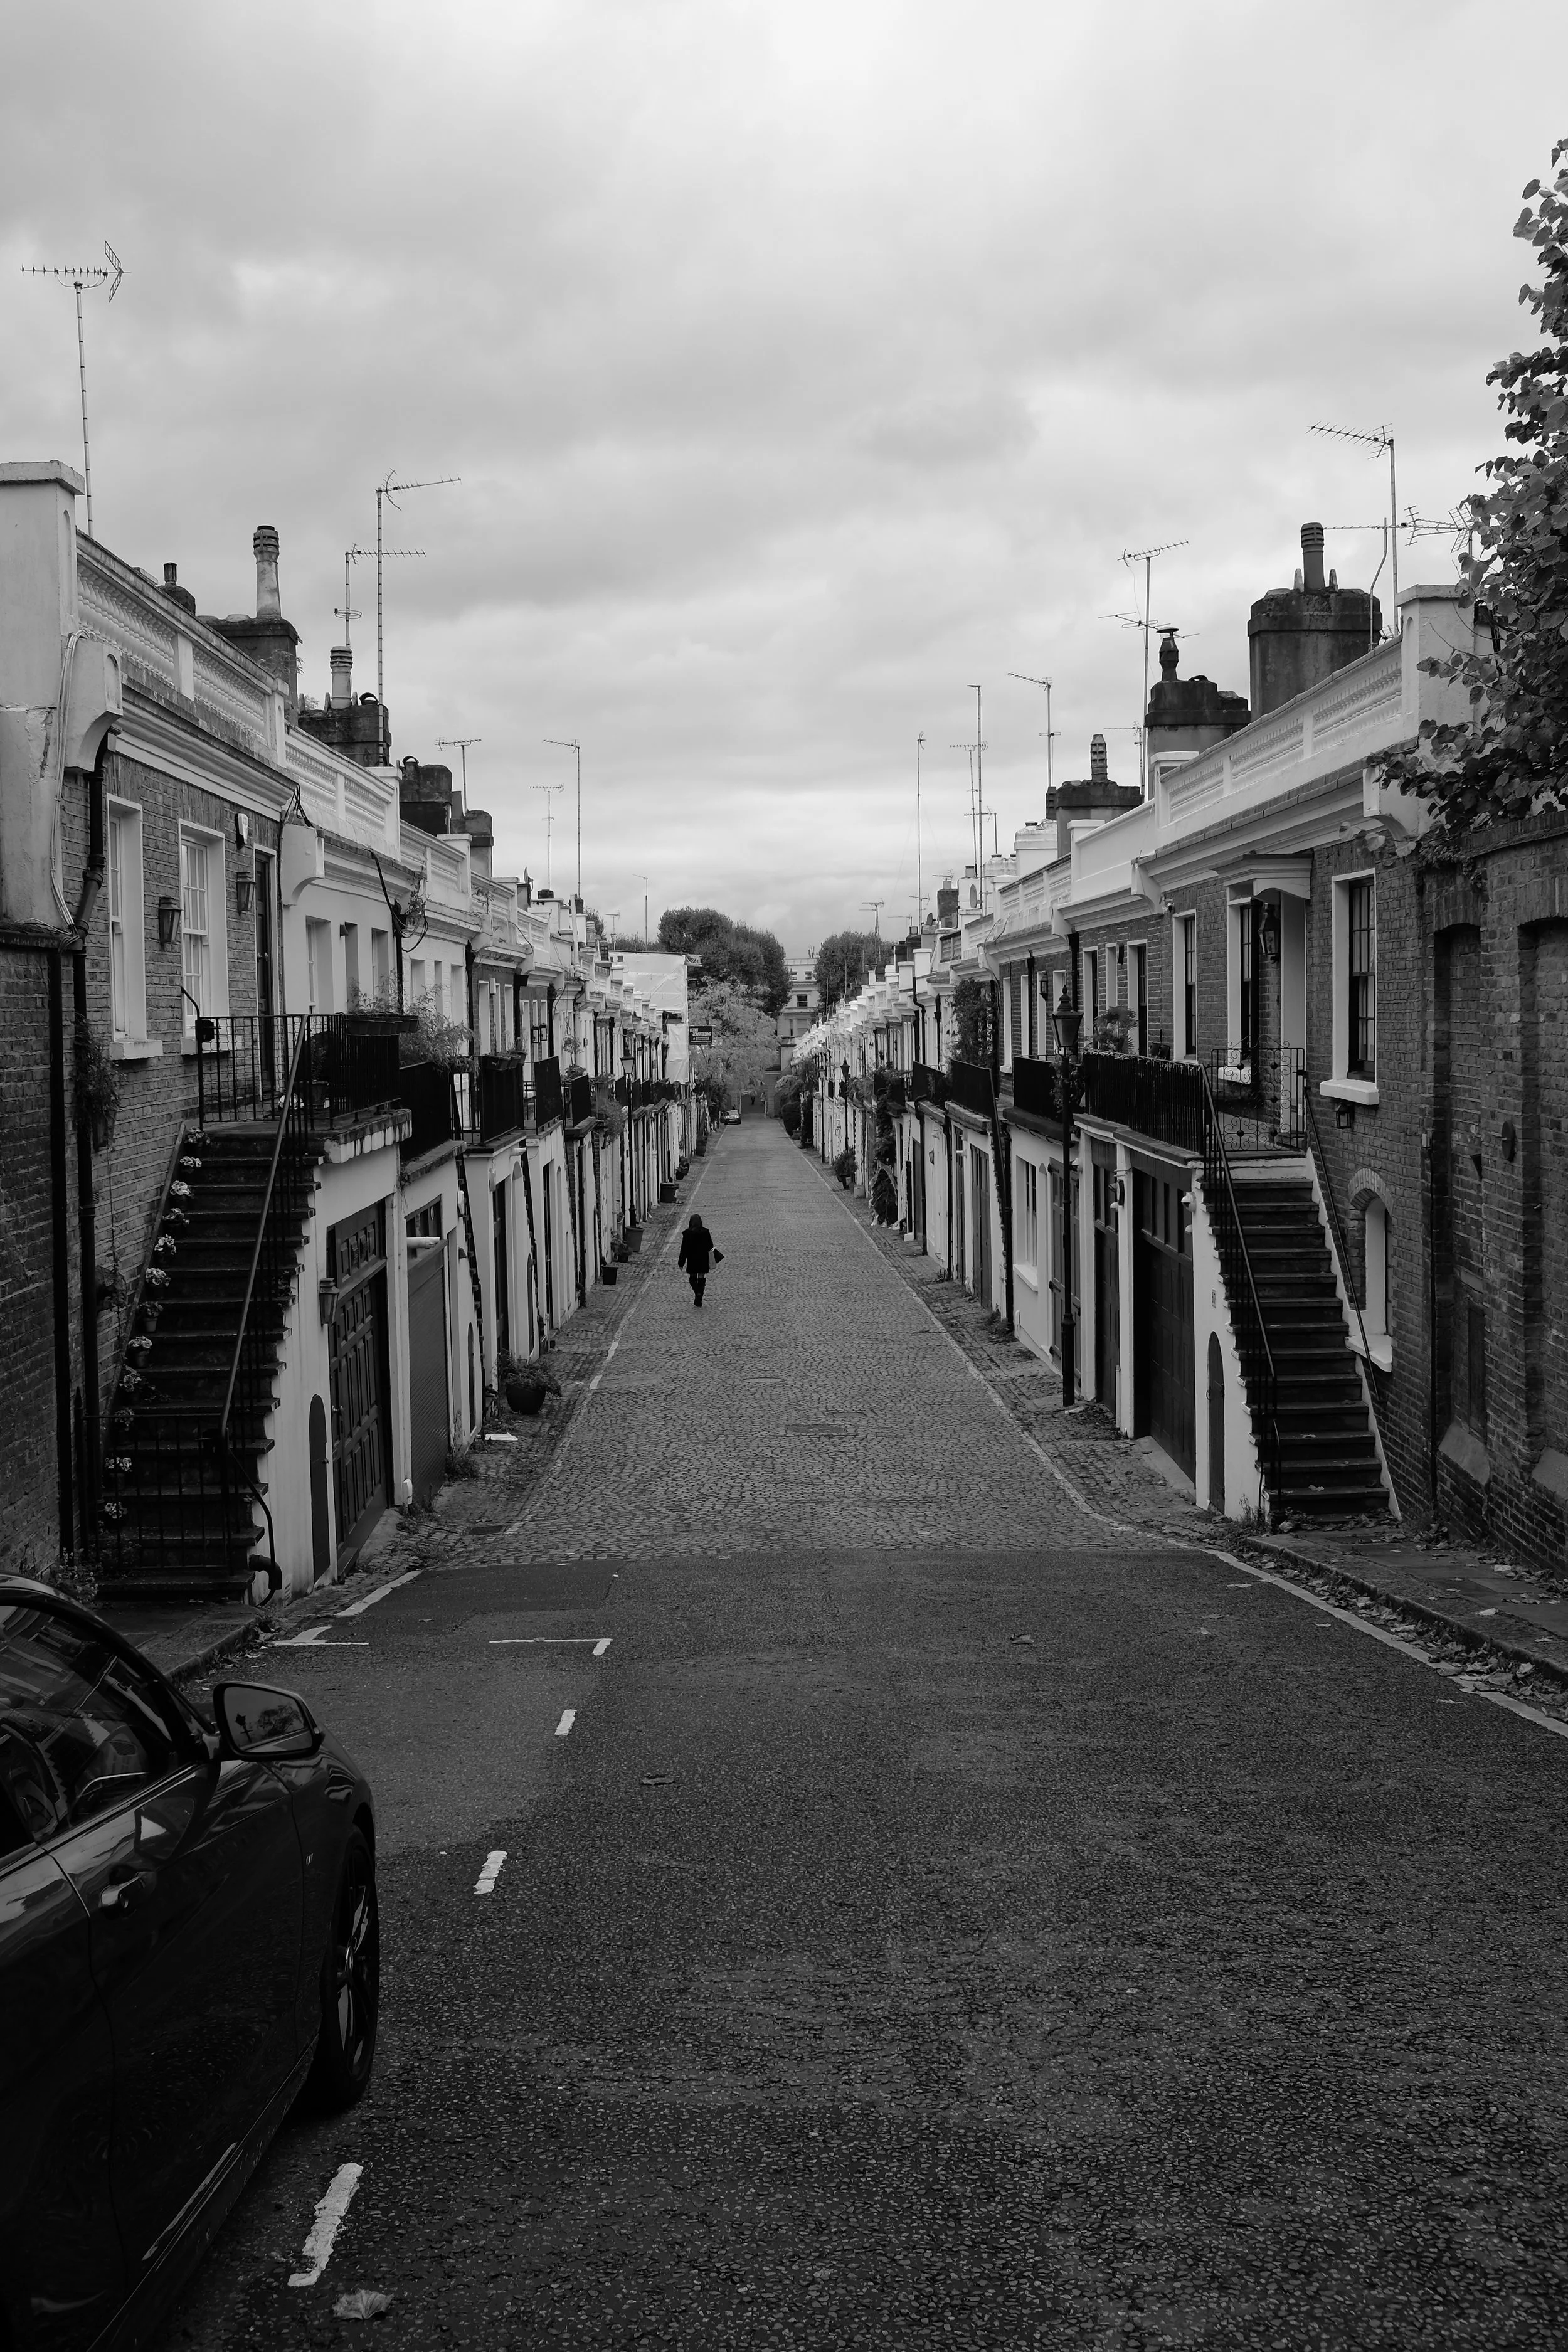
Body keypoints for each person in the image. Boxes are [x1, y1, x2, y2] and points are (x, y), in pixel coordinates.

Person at [677, 1212, 722, 1308]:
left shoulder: (687, 1234)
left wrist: (681, 1263)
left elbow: (684, 1249)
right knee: (701, 1277)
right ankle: (700, 1294)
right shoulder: (705, 1232)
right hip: (703, 1258)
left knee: (692, 1278)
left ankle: (697, 1293)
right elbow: (710, 1246)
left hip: (692, 1259)